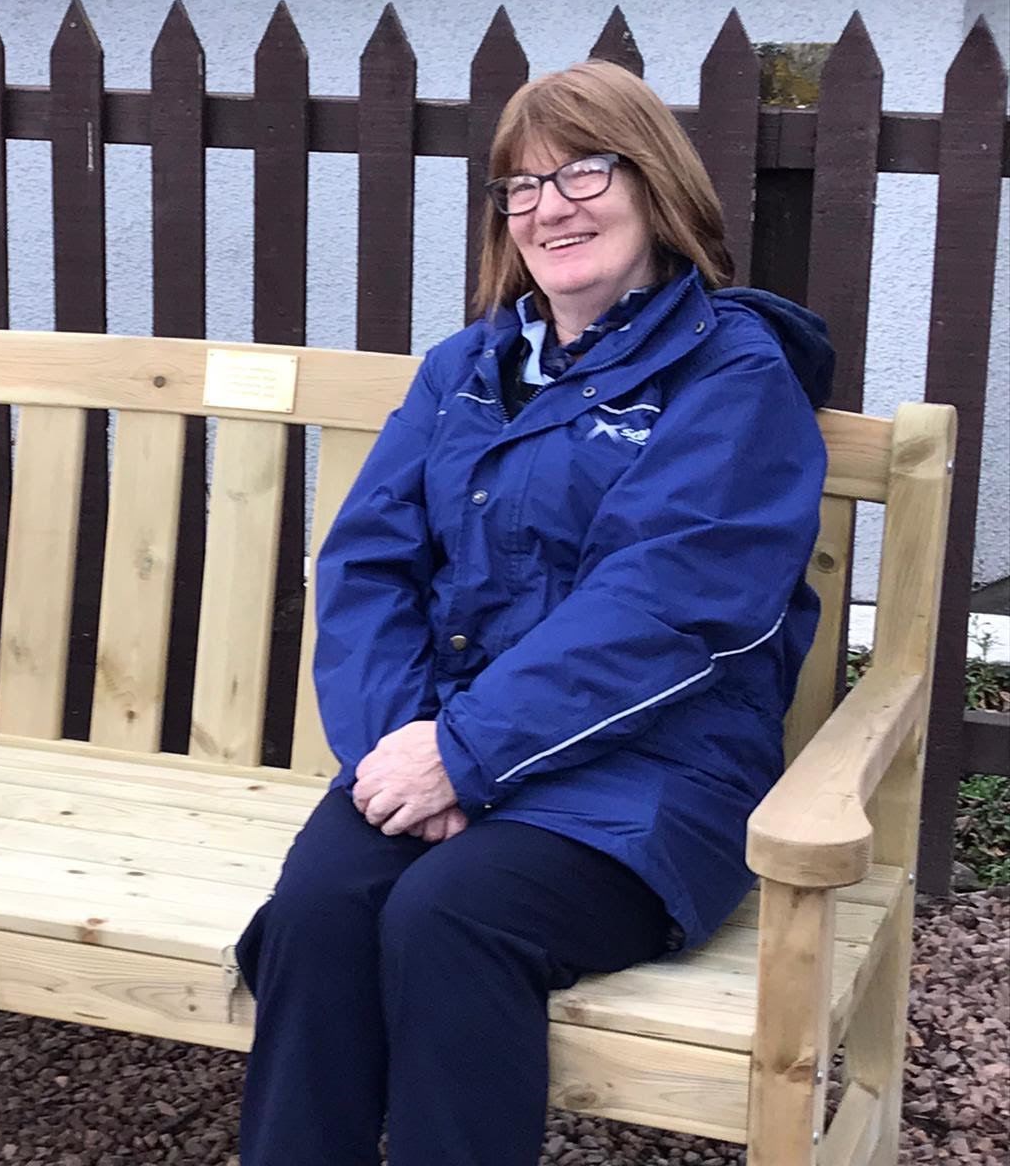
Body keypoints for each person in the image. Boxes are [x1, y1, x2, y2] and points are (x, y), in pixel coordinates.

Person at [232, 59, 834, 1166]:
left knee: (447, 918)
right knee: (318, 914)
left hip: (652, 774)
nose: (551, 206)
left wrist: (465, 756)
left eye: (586, 171)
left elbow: (667, 608)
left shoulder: (730, 376)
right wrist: (400, 756)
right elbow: (368, 567)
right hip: (444, 746)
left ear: (655, 186)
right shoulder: (463, 368)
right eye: (522, 184)